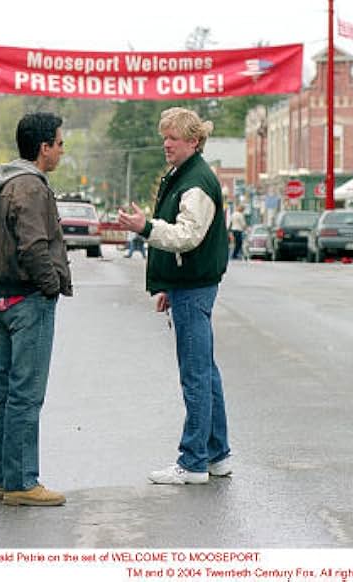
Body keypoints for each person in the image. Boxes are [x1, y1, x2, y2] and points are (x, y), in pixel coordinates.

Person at [118, 107, 231, 485]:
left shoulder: (195, 181)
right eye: (164, 136)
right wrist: (168, 282)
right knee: (206, 373)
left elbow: (187, 236)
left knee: (195, 375)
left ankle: (193, 462)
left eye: (174, 138)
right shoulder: (187, 174)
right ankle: (216, 455)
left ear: (194, 141)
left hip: (194, 287)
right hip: (190, 284)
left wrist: (145, 227)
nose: (166, 143)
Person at [0, 112, 72, 506]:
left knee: (3, 393)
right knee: (25, 395)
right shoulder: (32, 188)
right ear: (43, 148)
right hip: (29, 300)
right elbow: (34, 246)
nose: (61, 149)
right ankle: (22, 483)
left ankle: (0, 479)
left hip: (2, 298)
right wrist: (50, 286)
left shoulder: (1, 184)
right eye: (59, 142)